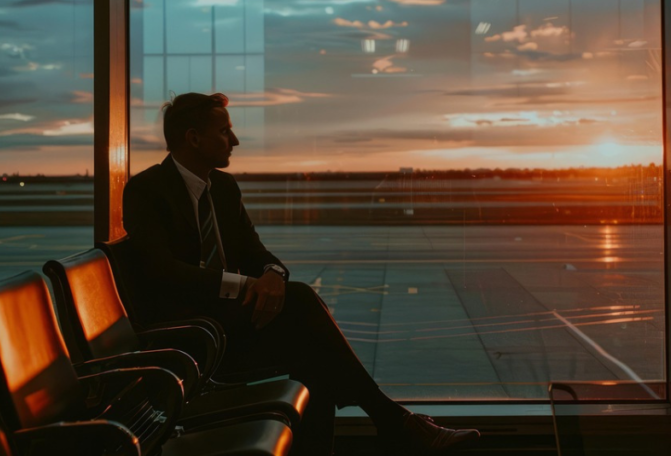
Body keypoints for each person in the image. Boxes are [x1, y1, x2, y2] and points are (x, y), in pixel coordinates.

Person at [122, 92, 480, 455]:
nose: (235, 140)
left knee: (313, 353)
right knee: (305, 313)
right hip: (190, 339)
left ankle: (392, 422)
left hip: (228, 326)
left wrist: (273, 275)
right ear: (193, 138)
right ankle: (394, 422)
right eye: (225, 131)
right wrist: (247, 284)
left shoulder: (225, 189)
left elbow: (257, 253)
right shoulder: (146, 190)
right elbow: (161, 273)